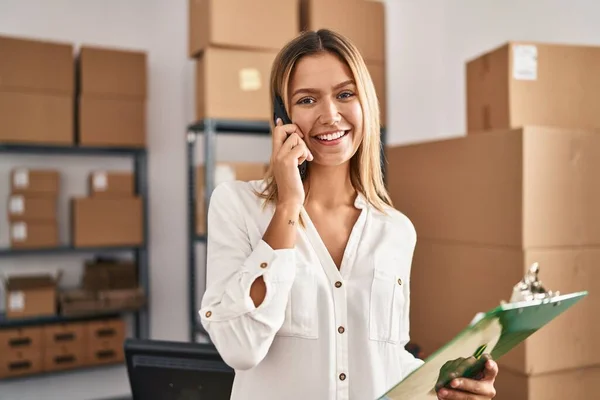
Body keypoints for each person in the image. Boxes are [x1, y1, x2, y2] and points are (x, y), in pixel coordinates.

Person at [199, 29, 499, 400]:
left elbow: (386, 359)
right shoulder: (237, 206)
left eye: (345, 94)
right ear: (282, 117)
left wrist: (445, 387)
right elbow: (240, 348)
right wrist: (289, 205)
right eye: (307, 100)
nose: (330, 114)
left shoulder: (395, 229)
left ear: (365, 105)